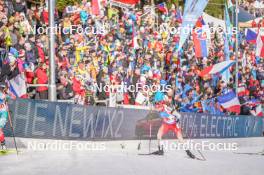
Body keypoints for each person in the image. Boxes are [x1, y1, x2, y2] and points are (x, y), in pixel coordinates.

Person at [153, 91, 196, 158]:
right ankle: (160, 150)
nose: (157, 103)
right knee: (158, 135)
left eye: (158, 101)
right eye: (157, 102)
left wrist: (177, 118)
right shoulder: (159, 104)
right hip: (166, 124)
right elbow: (158, 110)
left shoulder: (168, 106)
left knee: (180, 138)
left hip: (174, 124)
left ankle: (188, 152)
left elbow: (178, 115)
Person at [0, 83, 10, 150]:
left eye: (2, 88)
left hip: (3, 114)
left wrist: (6, 97)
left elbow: (6, 97)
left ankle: (3, 144)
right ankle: (2, 143)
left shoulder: (5, 95)